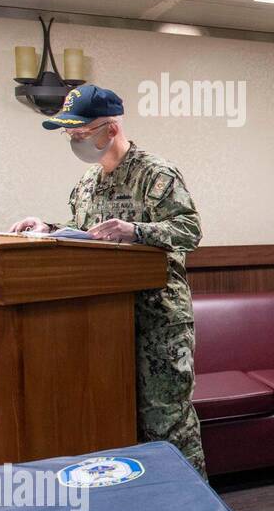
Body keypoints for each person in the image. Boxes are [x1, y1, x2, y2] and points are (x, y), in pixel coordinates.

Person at [11, 85, 206, 476]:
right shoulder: (87, 182)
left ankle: (191, 507)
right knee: (118, 423)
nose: (75, 140)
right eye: (71, 134)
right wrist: (48, 227)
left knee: (167, 422)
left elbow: (189, 230)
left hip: (158, 322)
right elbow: (87, 234)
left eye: (81, 133)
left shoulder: (155, 173)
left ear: (111, 128)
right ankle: (142, 508)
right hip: (104, 321)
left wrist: (136, 231)